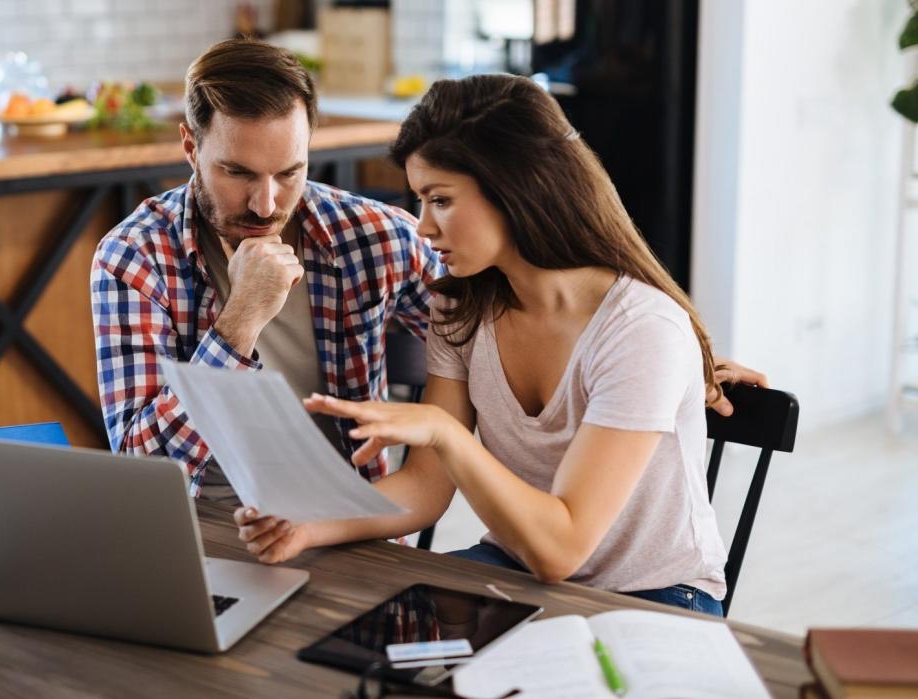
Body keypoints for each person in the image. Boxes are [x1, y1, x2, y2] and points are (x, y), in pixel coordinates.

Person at [234, 74, 768, 616]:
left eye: (440, 200)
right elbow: (424, 489)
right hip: (513, 569)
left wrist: (446, 434)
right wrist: (307, 523)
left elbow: (561, 548)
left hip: (654, 596)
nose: (423, 227)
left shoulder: (642, 330)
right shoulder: (462, 307)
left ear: (517, 188)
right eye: (420, 201)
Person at [91, 38, 441, 500]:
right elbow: (144, 469)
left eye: (289, 173)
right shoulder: (135, 257)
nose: (266, 204)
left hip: (350, 524)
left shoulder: (375, 236)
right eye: (238, 173)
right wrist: (239, 323)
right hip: (203, 527)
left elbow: (487, 346)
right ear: (191, 147)